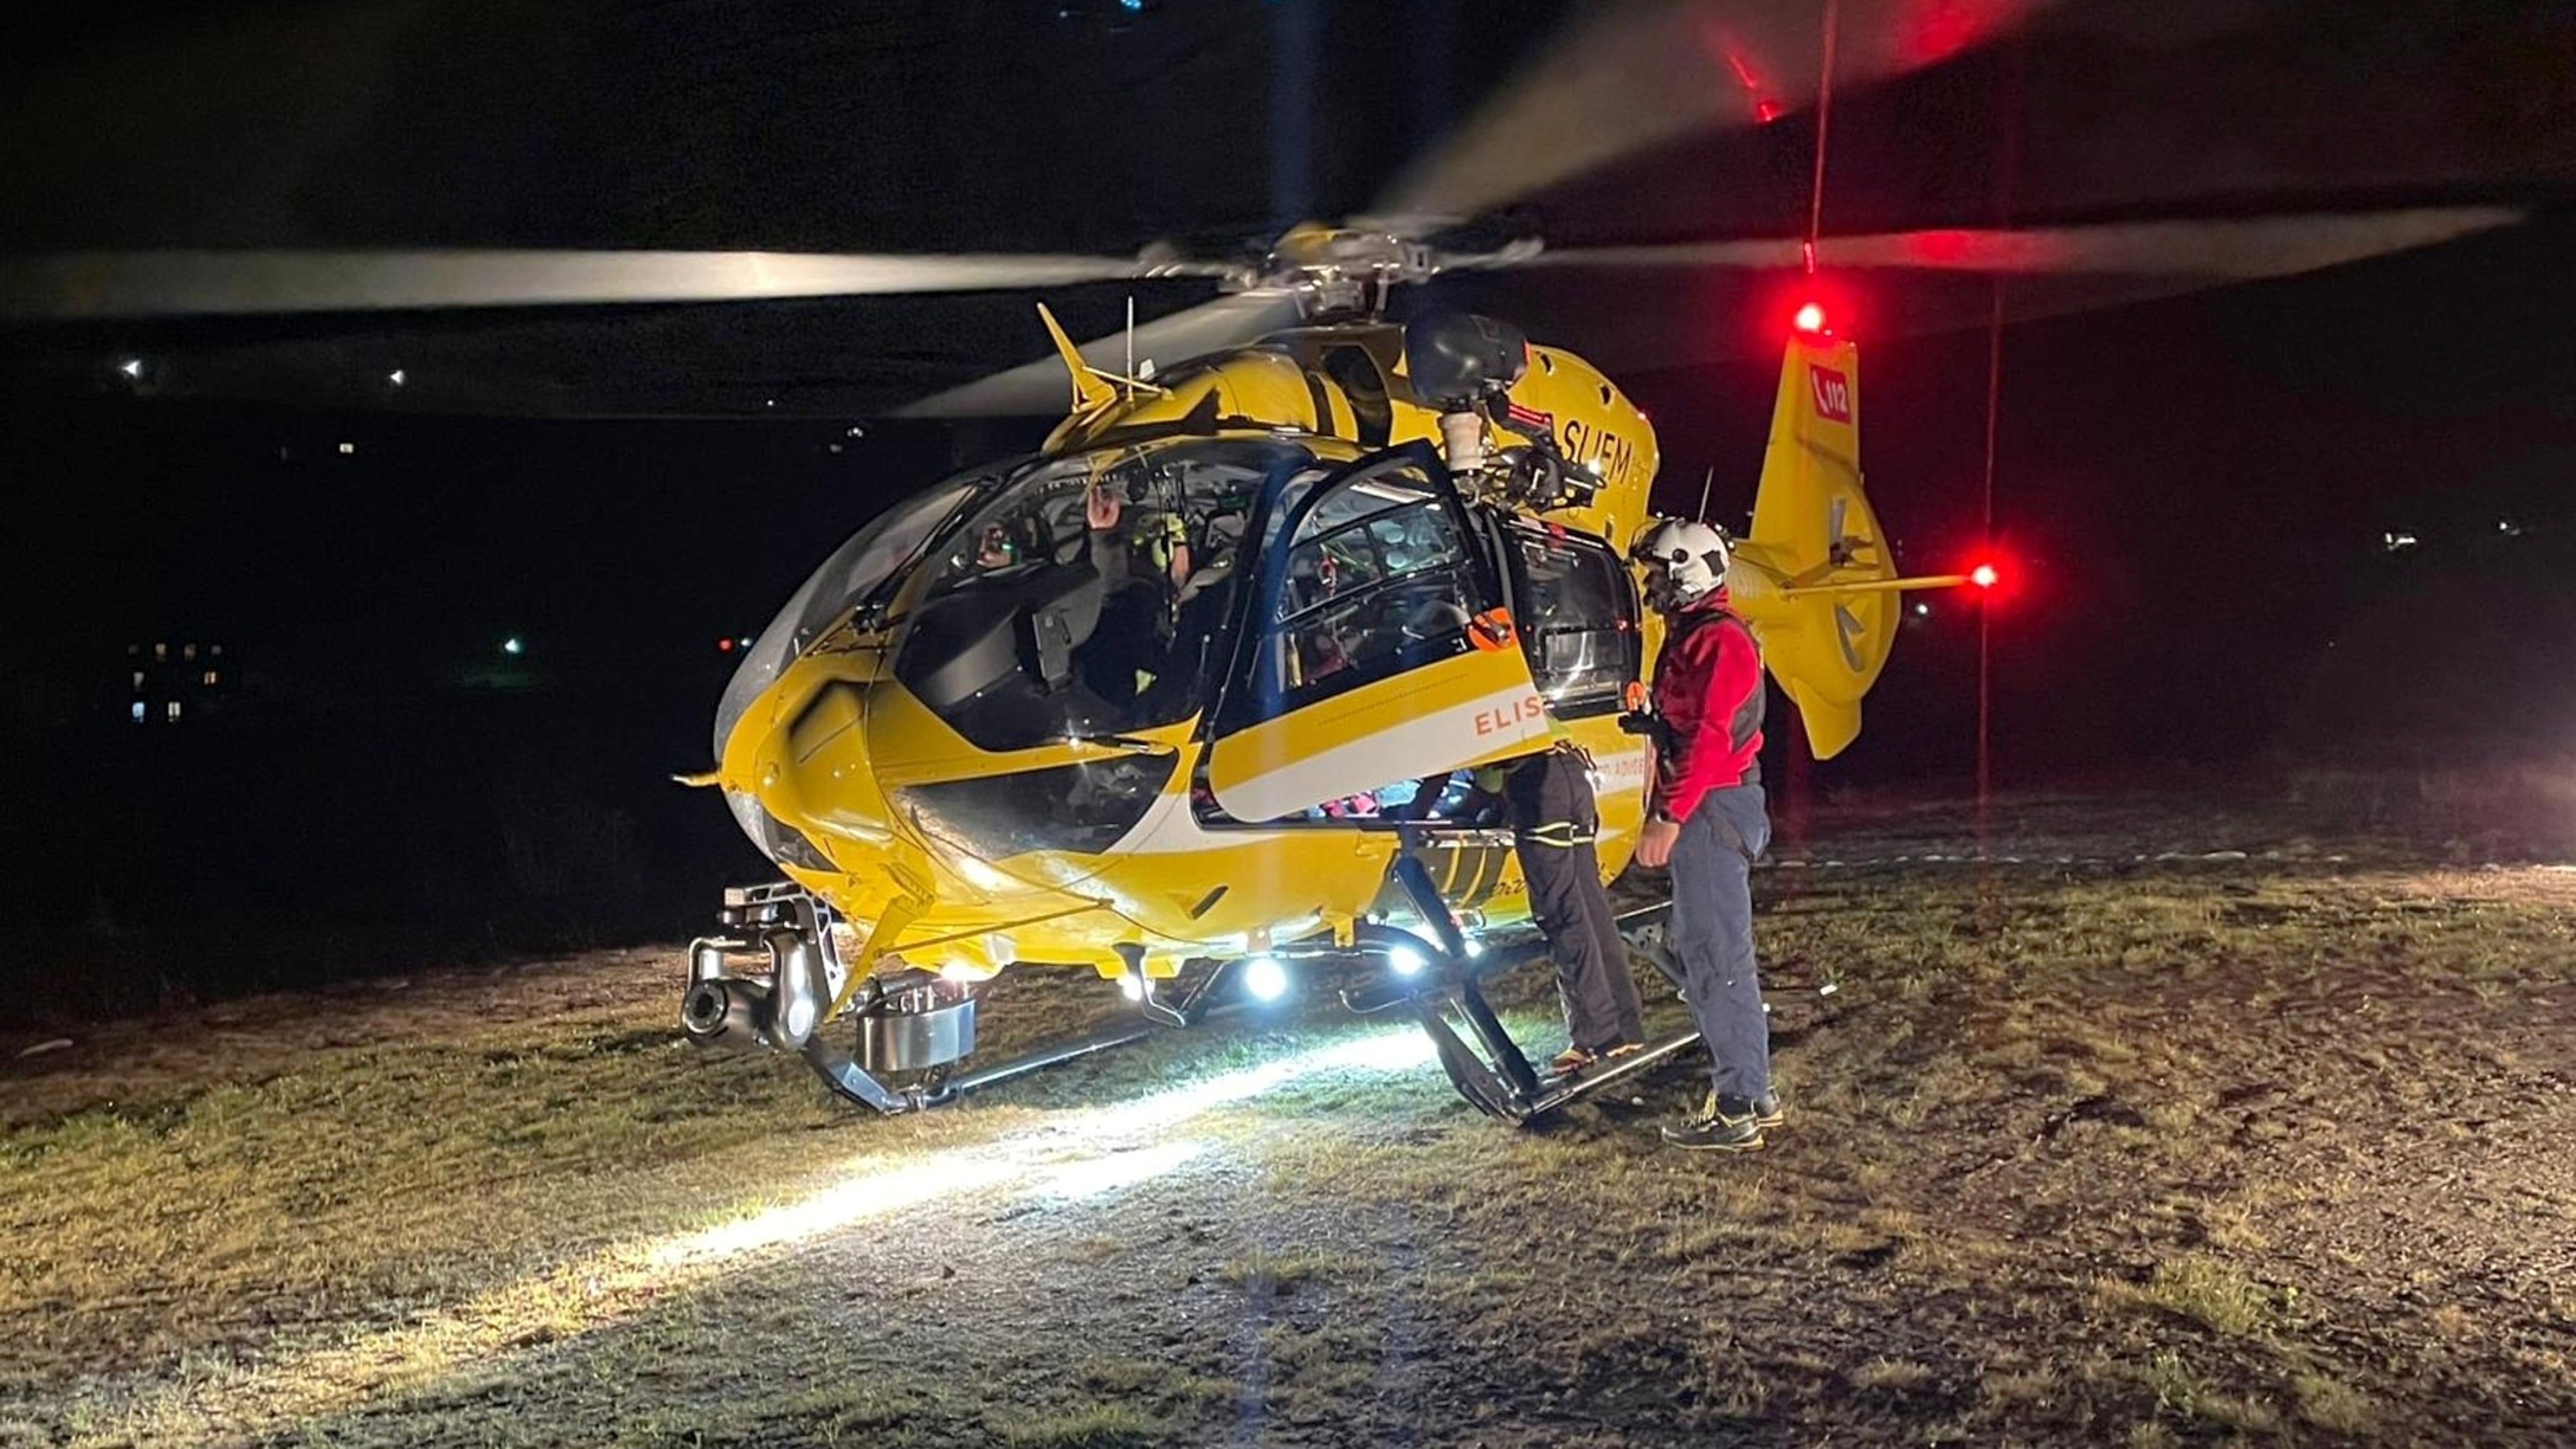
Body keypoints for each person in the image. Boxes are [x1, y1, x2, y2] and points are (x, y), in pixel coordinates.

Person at [1631, 519, 1784, 1152]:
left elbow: (1710, 739)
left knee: (1717, 959)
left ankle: (1739, 1106)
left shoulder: (1717, 641)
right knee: (1711, 952)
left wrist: (1668, 815)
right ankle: (1754, 1095)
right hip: (1718, 803)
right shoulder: (1697, 635)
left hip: (1713, 808)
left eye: (1660, 572)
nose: (1652, 583)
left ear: (1690, 571)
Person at [1498, 727, 1646, 1075]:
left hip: (1538, 786)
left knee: (1563, 916)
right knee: (1591, 909)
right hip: (1571, 772)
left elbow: (1483, 782)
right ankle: (1625, 1027)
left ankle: (1595, 1036)